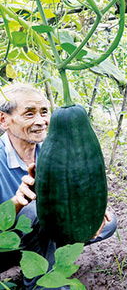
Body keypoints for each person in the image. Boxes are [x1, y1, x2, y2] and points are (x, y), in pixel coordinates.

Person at [0, 83, 117, 290]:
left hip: (42, 230)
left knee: (108, 222)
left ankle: (49, 259)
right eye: (29, 114)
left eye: (44, 112)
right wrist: (16, 203)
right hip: (4, 245)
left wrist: (93, 209)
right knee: (32, 212)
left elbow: (79, 189)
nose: (41, 121)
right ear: (4, 120)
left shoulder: (51, 149)